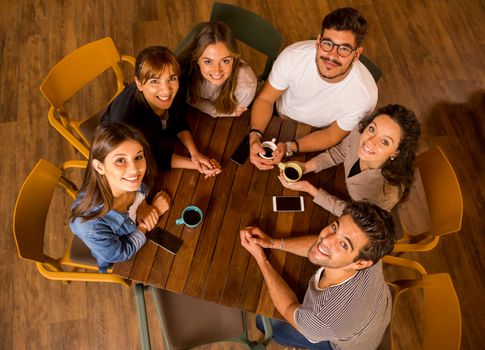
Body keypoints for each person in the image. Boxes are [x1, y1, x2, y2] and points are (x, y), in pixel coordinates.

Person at [240, 201, 396, 350]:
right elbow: (320, 245)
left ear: (361, 263)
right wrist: (273, 243)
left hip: (350, 345)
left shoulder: (320, 318)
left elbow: (289, 307)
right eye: (335, 228)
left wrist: (261, 258)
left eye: (343, 244)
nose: (326, 240)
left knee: (263, 322)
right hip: (378, 313)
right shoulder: (371, 251)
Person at [249, 7, 378, 170]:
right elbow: (265, 99)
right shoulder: (292, 56)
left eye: (344, 49)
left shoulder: (365, 96)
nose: (332, 55)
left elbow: (332, 135)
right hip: (280, 117)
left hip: (318, 133)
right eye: (327, 44)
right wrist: (254, 137)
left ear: (357, 54)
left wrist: (290, 148)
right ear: (318, 42)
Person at [279, 104, 421, 216]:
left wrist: (310, 189)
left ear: (396, 153)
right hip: (339, 185)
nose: (370, 141)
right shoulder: (360, 130)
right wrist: (306, 166)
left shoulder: (385, 194)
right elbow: (340, 152)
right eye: (372, 129)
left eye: (385, 142)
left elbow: (356, 217)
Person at [102, 45, 221, 178]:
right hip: (118, 144)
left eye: (171, 78)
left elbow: (178, 118)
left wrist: (195, 153)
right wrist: (195, 165)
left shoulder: (177, 87)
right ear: (139, 84)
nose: (166, 90)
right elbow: (150, 158)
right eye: (155, 81)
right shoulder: (128, 123)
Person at [70, 123, 171, 272]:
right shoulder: (90, 226)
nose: (135, 170)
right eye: (120, 160)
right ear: (99, 167)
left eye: (138, 157)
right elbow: (121, 253)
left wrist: (142, 204)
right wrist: (146, 221)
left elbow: (143, 184)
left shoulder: (130, 179)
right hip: (119, 254)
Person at [178, 21, 257, 117]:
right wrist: (213, 110)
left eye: (225, 61)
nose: (217, 71)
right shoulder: (186, 70)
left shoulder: (245, 88)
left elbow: (232, 113)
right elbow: (189, 97)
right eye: (208, 61)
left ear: (234, 58)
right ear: (197, 59)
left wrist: (220, 112)